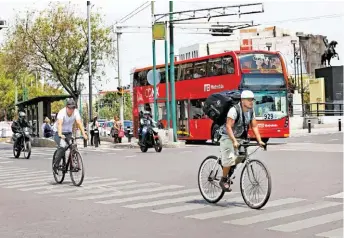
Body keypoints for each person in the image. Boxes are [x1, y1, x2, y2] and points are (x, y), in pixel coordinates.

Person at [219, 90, 265, 192]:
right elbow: (228, 126)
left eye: (252, 100)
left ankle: (230, 168)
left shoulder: (251, 111)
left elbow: (254, 126)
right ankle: (223, 179)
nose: (251, 102)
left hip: (240, 137)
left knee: (242, 156)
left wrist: (260, 140)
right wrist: (234, 141)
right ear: (242, 100)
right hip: (227, 136)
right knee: (229, 158)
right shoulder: (234, 110)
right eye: (249, 100)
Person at [52, 98, 87, 174]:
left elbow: (79, 122)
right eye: (69, 108)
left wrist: (84, 134)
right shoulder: (62, 112)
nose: (71, 110)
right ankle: (56, 164)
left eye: (73, 108)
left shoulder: (76, 112)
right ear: (66, 107)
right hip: (57, 132)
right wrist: (60, 134)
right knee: (63, 146)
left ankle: (73, 164)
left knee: (73, 146)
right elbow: (60, 124)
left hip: (68, 132)